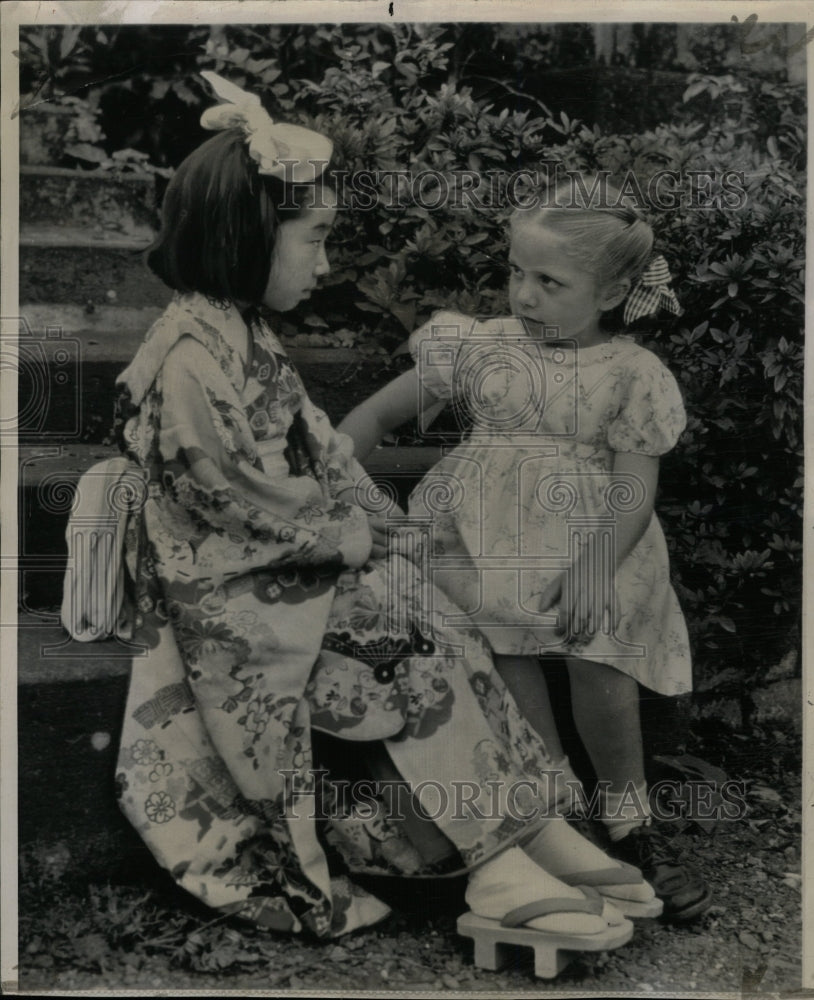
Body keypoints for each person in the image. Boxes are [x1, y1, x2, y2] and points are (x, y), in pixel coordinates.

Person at [111, 73, 660, 954]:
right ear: (248, 234)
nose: (325, 264)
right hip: (227, 592)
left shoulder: (242, 334)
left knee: (430, 609)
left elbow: (325, 453)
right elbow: (238, 503)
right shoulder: (186, 355)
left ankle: (527, 829)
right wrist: (360, 539)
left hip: (284, 563)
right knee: (395, 630)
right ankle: (493, 858)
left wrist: (387, 528)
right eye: (316, 239)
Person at [338, 173, 712, 922]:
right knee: (503, 649)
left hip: (592, 543)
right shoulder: (483, 347)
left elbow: (636, 488)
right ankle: (554, 819)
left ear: (610, 294)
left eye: (550, 281)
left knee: (593, 649)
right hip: (485, 543)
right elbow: (374, 417)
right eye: (516, 273)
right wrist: (339, 468)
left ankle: (629, 820)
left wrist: (597, 565)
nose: (525, 295)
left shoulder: (633, 374)